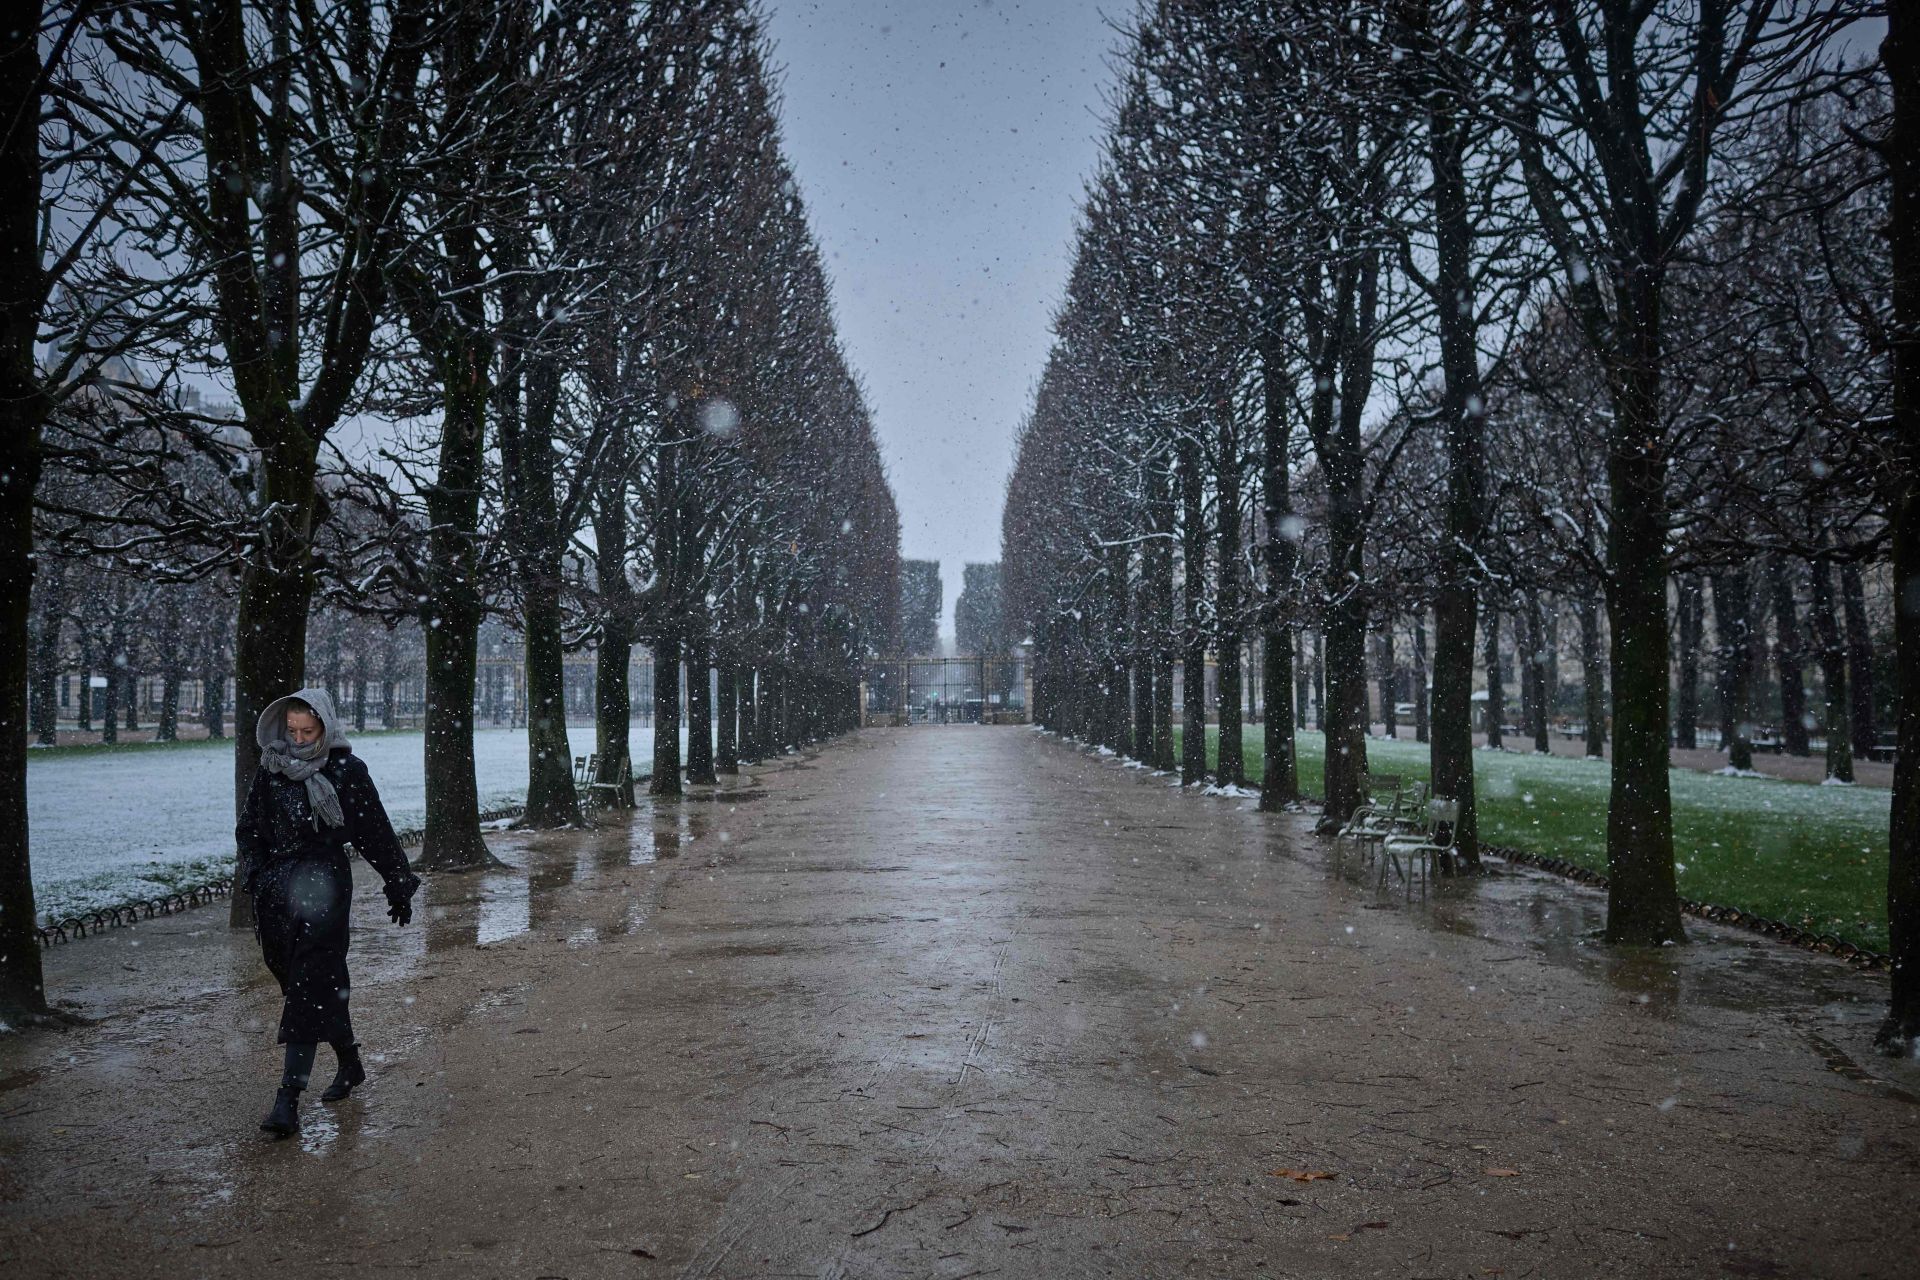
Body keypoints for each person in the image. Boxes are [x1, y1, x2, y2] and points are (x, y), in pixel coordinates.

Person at [236, 687, 420, 1137]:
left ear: (326, 728)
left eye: (308, 731)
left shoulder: (346, 771)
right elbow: (249, 831)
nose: (299, 740)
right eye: (292, 731)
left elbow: (374, 829)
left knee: (308, 985)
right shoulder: (271, 771)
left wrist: (398, 883)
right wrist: (257, 876)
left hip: (326, 889)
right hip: (277, 897)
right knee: (312, 984)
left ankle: (287, 1099)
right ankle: (350, 1061)